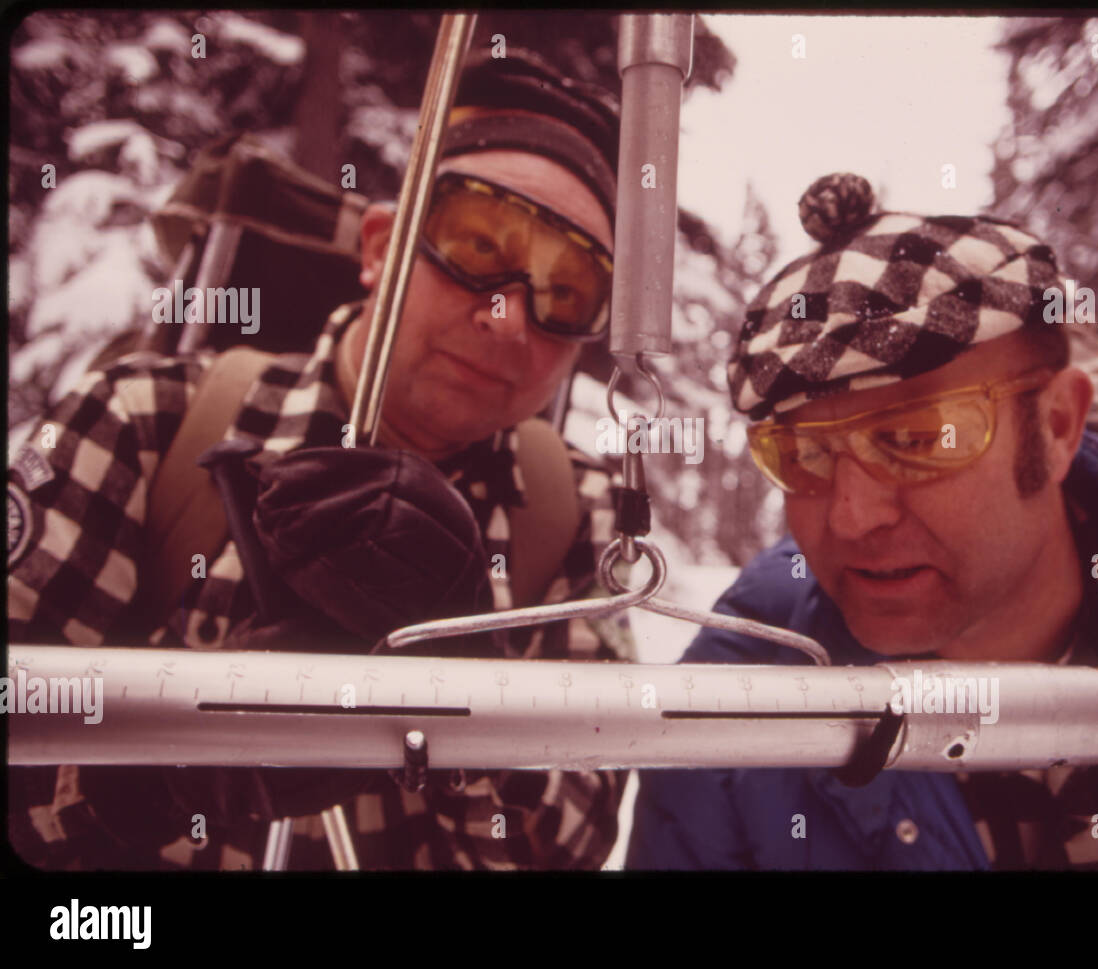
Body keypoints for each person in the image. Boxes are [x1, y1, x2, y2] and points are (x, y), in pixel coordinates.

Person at [7, 50, 632, 871]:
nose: (509, 319)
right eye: (477, 242)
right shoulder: (145, 423)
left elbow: (570, 843)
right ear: (380, 246)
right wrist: (167, 766)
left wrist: (469, 692)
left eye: (568, 291)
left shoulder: (576, 514)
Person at [627, 172, 1098, 871]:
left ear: (1059, 425)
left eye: (915, 439)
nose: (853, 517)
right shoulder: (739, 701)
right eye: (807, 454)